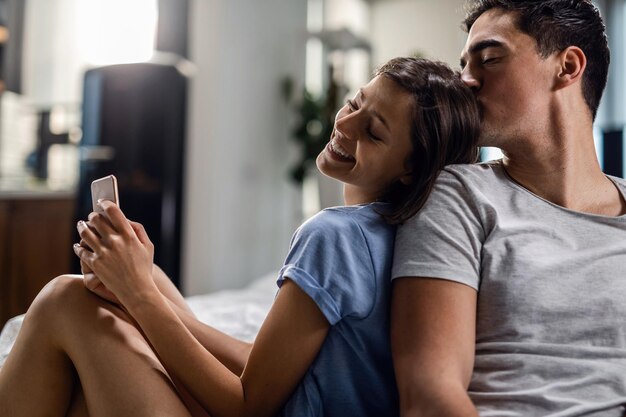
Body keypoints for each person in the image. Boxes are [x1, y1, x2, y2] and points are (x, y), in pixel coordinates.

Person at [0, 57, 479, 417]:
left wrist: (140, 298)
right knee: (144, 287)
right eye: (355, 103)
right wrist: (141, 293)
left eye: (372, 132)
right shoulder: (406, 237)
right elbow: (267, 367)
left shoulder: (334, 237)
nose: (344, 124)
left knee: (67, 298)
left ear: (411, 168)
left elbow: (249, 404)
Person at [391, 1, 626, 416]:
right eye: (464, 64)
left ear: (567, 66)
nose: (465, 81)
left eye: (490, 59)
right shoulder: (458, 196)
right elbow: (429, 395)